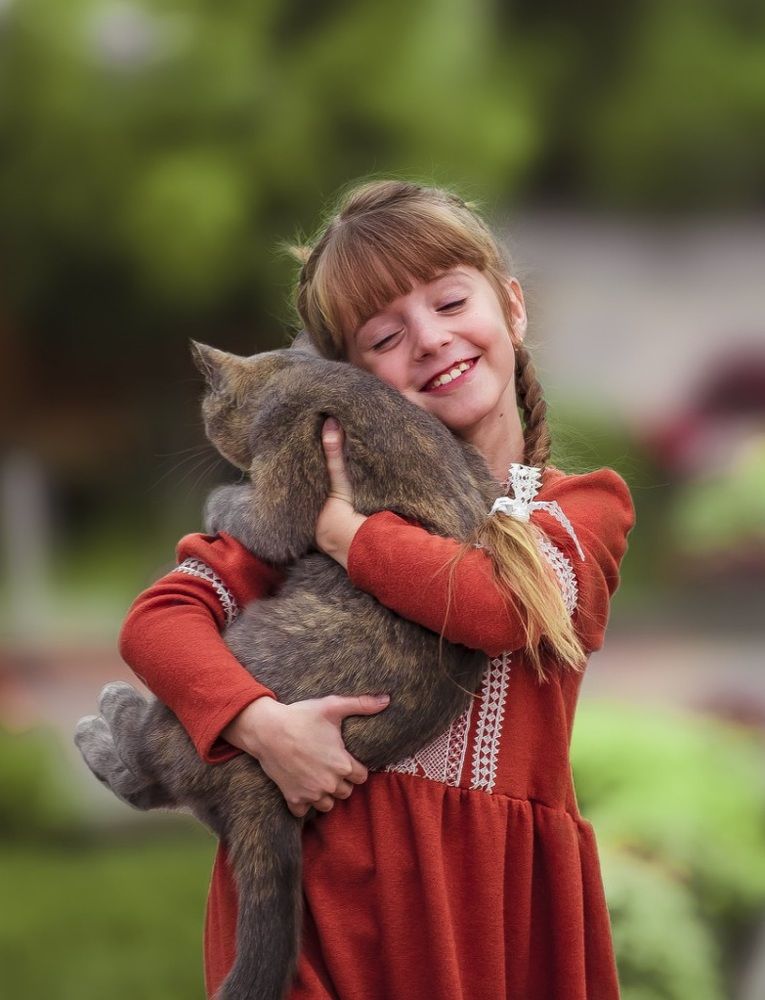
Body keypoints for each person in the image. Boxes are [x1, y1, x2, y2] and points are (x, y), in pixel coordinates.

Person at [119, 179, 635, 1000]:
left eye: (450, 301)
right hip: (316, 904)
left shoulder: (580, 509)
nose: (429, 340)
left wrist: (343, 535)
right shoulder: (318, 490)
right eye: (384, 335)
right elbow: (160, 621)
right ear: (351, 379)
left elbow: (495, 608)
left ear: (511, 306)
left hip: (487, 914)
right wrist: (261, 726)